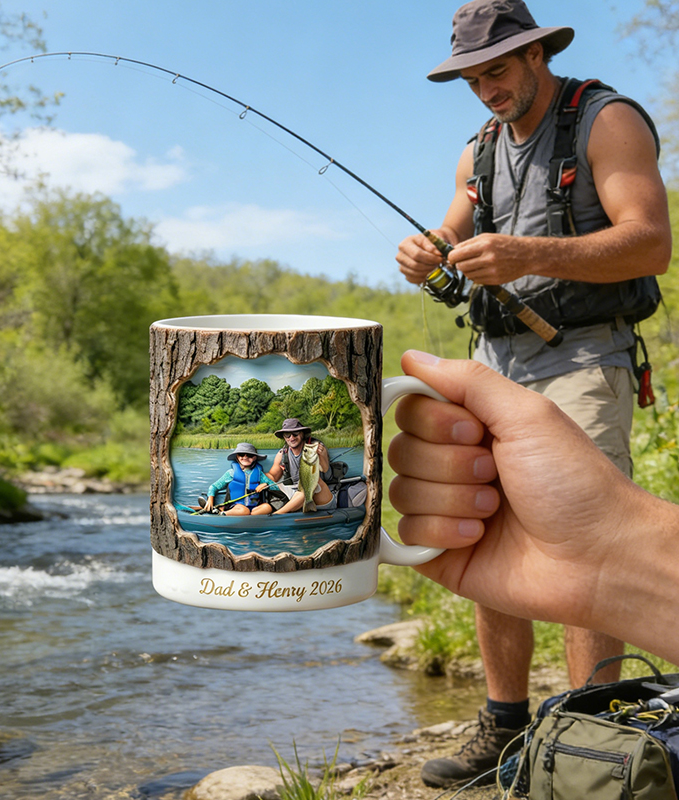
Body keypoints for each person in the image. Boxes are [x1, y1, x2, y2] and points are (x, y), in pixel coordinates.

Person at [395, 0, 672, 788]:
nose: (486, 89)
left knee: (586, 536)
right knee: (485, 535)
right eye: (472, 77)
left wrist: (523, 253)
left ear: (537, 54)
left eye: (498, 69)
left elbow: (650, 241)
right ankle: (505, 727)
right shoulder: (477, 150)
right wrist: (426, 253)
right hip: (493, 358)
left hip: (585, 357)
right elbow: (450, 236)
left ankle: (592, 735)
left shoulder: (606, 119)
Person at [387, 349, 679, 672]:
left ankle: (590, 719)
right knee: (483, 536)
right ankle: (503, 716)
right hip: (495, 346)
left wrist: (606, 553)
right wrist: (602, 557)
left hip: (587, 352)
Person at [267, 418, 335, 514]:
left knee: (308, 483)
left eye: (295, 433)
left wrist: (322, 455)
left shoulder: (315, 447)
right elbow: (273, 476)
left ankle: (276, 515)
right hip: (296, 495)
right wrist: (261, 479)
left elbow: (325, 470)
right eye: (287, 435)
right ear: (284, 437)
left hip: (321, 496)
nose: (291, 437)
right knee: (276, 485)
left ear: (302, 434)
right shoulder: (282, 454)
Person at [202, 443, 279, 516]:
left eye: (249, 455)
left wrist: (265, 485)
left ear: (254, 458)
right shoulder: (231, 473)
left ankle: (248, 518)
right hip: (236, 507)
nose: (245, 457)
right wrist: (210, 500)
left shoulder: (260, 474)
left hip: (254, 508)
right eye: (241, 455)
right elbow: (214, 487)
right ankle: (222, 513)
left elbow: (276, 488)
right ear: (237, 457)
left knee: (267, 507)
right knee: (244, 510)